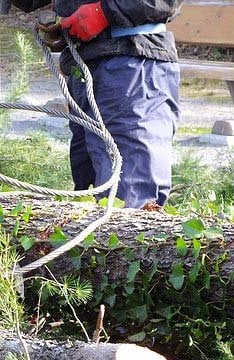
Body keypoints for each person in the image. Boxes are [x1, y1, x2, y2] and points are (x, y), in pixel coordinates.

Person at [53, 0, 184, 209]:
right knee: (89, 206)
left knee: (130, 204)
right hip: (86, 63)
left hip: (133, 65)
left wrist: (103, 13)